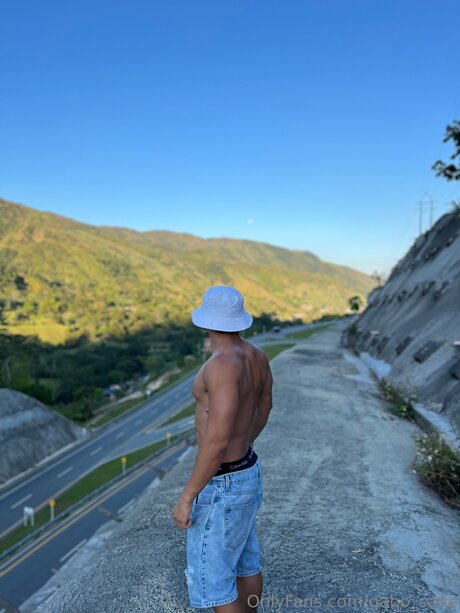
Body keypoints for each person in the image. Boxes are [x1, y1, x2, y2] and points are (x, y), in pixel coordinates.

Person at [172, 285, 273, 612]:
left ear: (206, 321)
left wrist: (187, 497)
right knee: (246, 563)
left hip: (223, 483)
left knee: (215, 584)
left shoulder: (220, 366)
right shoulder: (256, 356)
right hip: (247, 469)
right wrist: (247, 441)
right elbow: (265, 407)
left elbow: (216, 441)